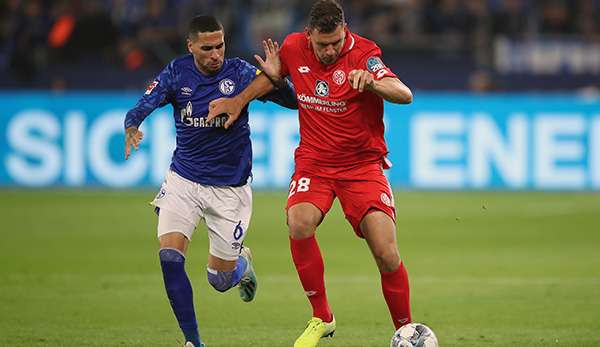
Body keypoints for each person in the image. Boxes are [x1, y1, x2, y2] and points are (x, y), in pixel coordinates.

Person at [207, 1, 413, 346]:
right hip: (315, 162)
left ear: (345, 30)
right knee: (298, 221)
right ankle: (322, 317)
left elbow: (403, 94)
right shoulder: (292, 47)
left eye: (336, 42)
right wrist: (239, 101)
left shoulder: (364, 54)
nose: (330, 50)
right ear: (309, 36)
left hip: (361, 165)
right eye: (322, 45)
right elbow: (271, 80)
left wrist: (374, 84)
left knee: (386, 251)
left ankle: (405, 329)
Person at [123, 15, 297, 347]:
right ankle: (193, 342)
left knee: (219, 280)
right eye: (207, 48)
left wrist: (277, 80)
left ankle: (242, 264)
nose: (215, 54)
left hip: (230, 189)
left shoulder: (240, 73)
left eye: (220, 46)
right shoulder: (177, 72)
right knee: (170, 258)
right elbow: (143, 105)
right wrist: (132, 126)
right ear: (191, 47)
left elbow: (293, 103)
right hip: (184, 181)